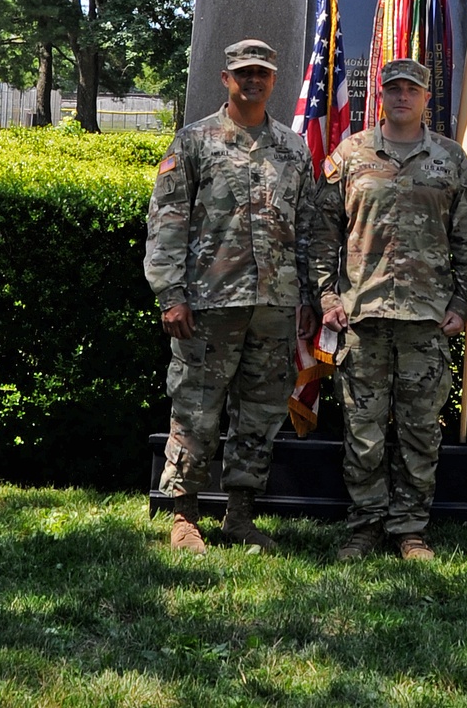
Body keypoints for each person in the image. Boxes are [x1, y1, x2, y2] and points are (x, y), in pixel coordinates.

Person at [144, 38, 317, 554]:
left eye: (262, 72)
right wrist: (171, 294)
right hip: (208, 305)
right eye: (244, 72)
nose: (253, 80)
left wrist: (308, 297)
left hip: (274, 306)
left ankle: (239, 515)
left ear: (274, 79)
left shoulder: (293, 149)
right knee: (196, 409)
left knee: (259, 415)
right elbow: (166, 224)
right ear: (226, 78)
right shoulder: (194, 142)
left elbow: (307, 228)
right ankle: (184, 515)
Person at [310, 57, 467, 561]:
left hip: (426, 322)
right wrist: (326, 297)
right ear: (380, 95)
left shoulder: (450, 161)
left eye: (413, 89)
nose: (403, 96)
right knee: (363, 432)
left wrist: (459, 304)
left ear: (427, 97)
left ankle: (410, 528)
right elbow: (324, 234)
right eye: (394, 88)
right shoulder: (351, 156)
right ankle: (365, 525)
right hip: (361, 317)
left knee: (420, 431)